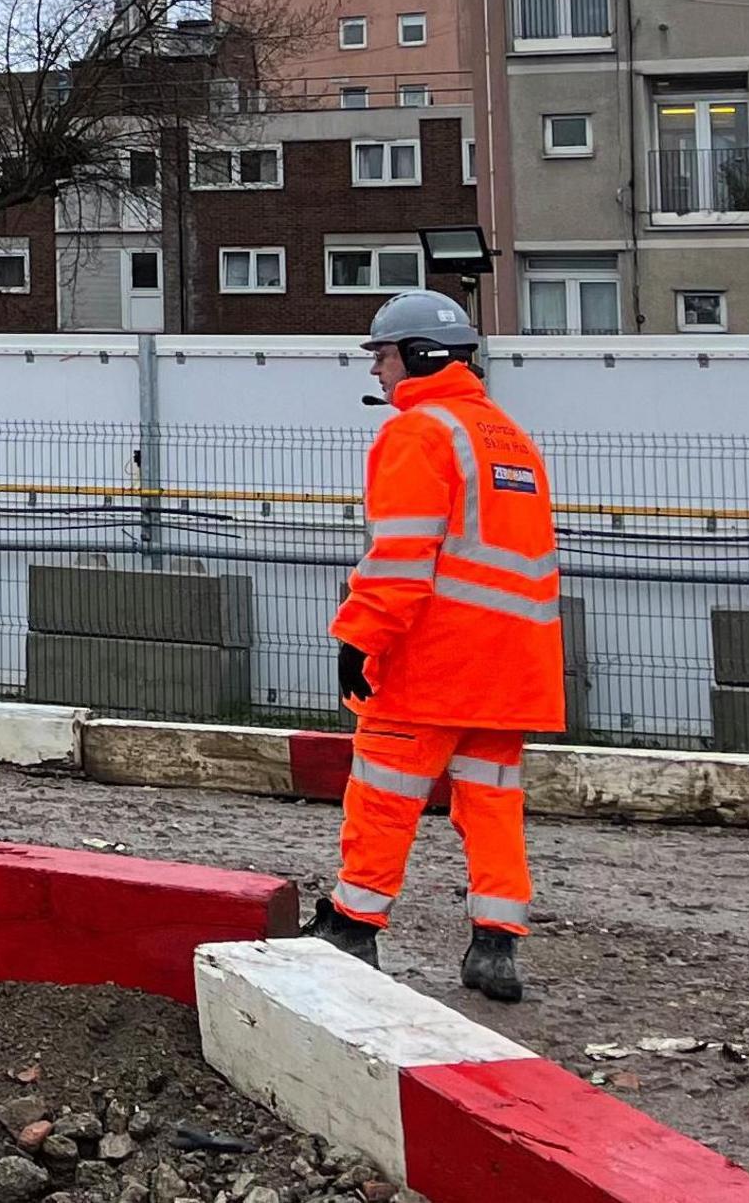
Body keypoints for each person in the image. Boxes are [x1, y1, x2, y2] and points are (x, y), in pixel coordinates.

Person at [308, 288, 562, 1003]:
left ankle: (352, 926)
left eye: (382, 355)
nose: (376, 372)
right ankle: (495, 946)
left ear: (420, 355)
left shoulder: (419, 432)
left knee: (385, 790)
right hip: (512, 668)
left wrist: (359, 635)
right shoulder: (507, 436)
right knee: (492, 803)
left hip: (432, 659)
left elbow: (402, 557)